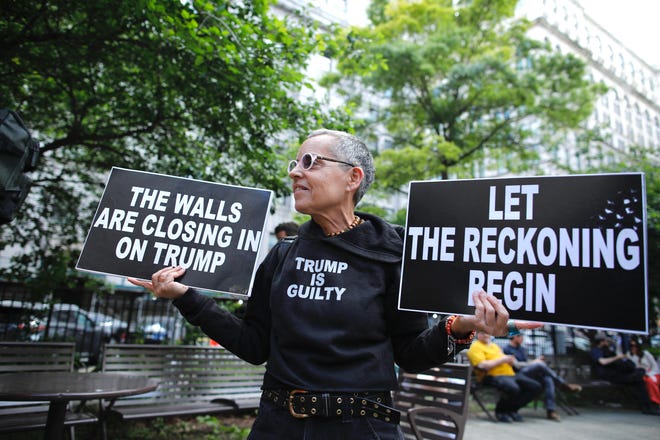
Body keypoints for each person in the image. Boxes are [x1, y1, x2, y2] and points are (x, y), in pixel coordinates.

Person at [128, 128, 533, 440]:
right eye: (294, 163)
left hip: (360, 428)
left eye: (310, 162)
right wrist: (185, 297)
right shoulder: (283, 254)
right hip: (277, 426)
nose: (295, 172)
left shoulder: (396, 253)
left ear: (352, 177)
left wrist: (461, 327)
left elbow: (409, 353)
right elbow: (254, 346)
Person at [503, 329, 582, 421]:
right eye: (521, 337)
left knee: (547, 378)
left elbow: (526, 361)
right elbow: (516, 365)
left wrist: (535, 360)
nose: (523, 339)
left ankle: (551, 411)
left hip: (528, 374)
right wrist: (534, 362)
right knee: (539, 365)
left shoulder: (521, 348)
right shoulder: (507, 349)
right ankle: (562, 384)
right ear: (515, 337)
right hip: (517, 374)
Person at [467, 331, 542, 423]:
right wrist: (502, 360)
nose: (486, 335)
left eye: (487, 333)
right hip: (491, 375)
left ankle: (512, 409)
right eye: (482, 333)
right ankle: (500, 412)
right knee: (513, 388)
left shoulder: (494, 346)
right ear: (477, 335)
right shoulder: (475, 347)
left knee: (535, 387)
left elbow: (503, 358)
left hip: (510, 373)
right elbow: (482, 365)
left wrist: (509, 360)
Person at [590, 332, 660, 415]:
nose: (607, 342)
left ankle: (648, 406)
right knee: (639, 378)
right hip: (608, 375)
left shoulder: (607, 350)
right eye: (606, 341)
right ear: (601, 342)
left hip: (617, 373)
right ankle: (648, 407)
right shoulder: (595, 351)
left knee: (639, 378)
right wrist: (618, 357)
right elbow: (602, 362)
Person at [628, 338, 660, 405]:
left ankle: (656, 400)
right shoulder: (629, 355)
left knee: (650, 381)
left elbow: (654, 366)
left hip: (652, 373)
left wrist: (649, 374)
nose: (634, 348)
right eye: (632, 346)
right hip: (639, 374)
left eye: (635, 346)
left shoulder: (646, 354)